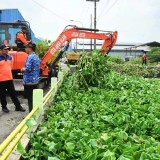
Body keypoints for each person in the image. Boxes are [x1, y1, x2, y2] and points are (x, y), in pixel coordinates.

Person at [0, 44, 26, 113]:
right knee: (2, 94)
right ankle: (4, 107)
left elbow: (10, 67)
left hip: (9, 78)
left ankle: (18, 106)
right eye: (5, 49)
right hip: (1, 79)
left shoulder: (10, 57)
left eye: (7, 49)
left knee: (13, 93)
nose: (7, 51)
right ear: (1, 50)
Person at [21, 42, 40, 112]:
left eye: (26, 47)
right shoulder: (36, 56)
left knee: (30, 98)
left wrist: (22, 69)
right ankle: (34, 111)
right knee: (34, 98)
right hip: (35, 81)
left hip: (29, 82)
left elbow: (28, 69)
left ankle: (31, 113)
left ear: (30, 48)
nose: (25, 49)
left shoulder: (30, 57)